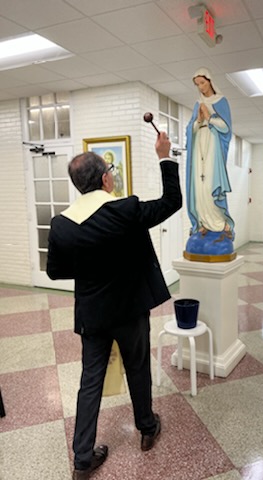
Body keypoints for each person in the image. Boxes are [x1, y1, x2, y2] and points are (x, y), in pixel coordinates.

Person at [46, 132, 182, 480]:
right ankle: (147, 429)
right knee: (138, 367)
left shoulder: (61, 224)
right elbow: (171, 202)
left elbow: (56, 271)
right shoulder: (125, 210)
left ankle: (82, 458)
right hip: (130, 310)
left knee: (90, 380)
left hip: (92, 315)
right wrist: (164, 157)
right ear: (106, 179)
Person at [185, 67, 234, 257]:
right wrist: (197, 120)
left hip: (213, 146)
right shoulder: (198, 103)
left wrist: (209, 117)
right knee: (199, 187)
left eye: (203, 83)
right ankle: (203, 223)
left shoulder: (221, 101)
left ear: (210, 81)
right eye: (197, 85)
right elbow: (190, 129)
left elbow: (226, 128)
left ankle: (220, 224)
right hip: (199, 148)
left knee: (211, 186)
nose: (201, 88)